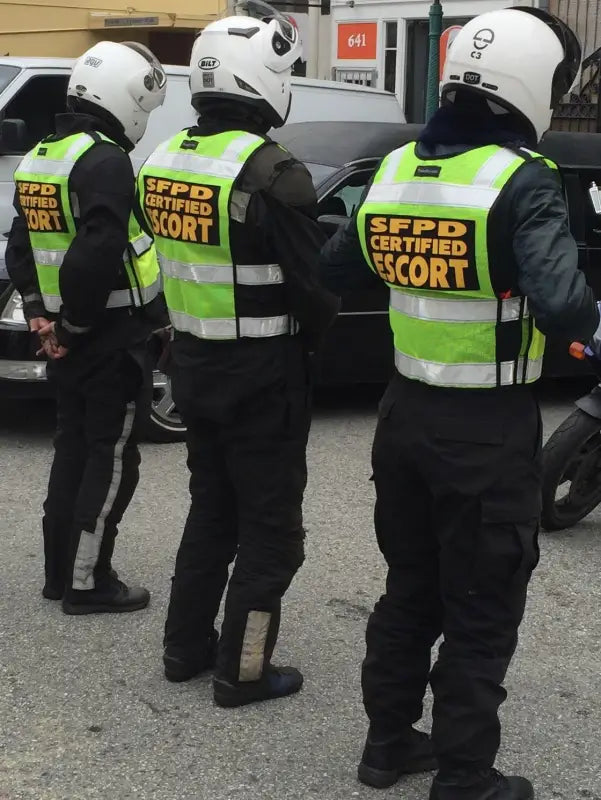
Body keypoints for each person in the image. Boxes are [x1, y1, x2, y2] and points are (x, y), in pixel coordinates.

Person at [320, 7, 598, 799]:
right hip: (485, 430)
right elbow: (567, 307)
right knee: (481, 605)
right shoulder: (522, 180)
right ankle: (467, 778)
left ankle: (387, 746)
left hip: (401, 416)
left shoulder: (398, 165)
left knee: (409, 587)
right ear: (527, 84)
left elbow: (339, 269)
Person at [137, 2, 339, 707]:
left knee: (211, 513)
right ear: (262, 81)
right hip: (262, 376)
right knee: (271, 533)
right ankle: (242, 672)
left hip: (192, 366)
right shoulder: (271, 172)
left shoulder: (161, 158)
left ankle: (182, 650)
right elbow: (316, 289)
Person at [6, 41, 167, 615]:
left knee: (71, 449)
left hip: (67, 337)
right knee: (111, 456)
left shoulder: (43, 155)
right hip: (109, 335)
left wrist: (40, 314)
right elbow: (95, 253)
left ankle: (58, 574)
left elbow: (22, 246)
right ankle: (86, 582)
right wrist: (72, 323)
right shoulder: (104, 160)